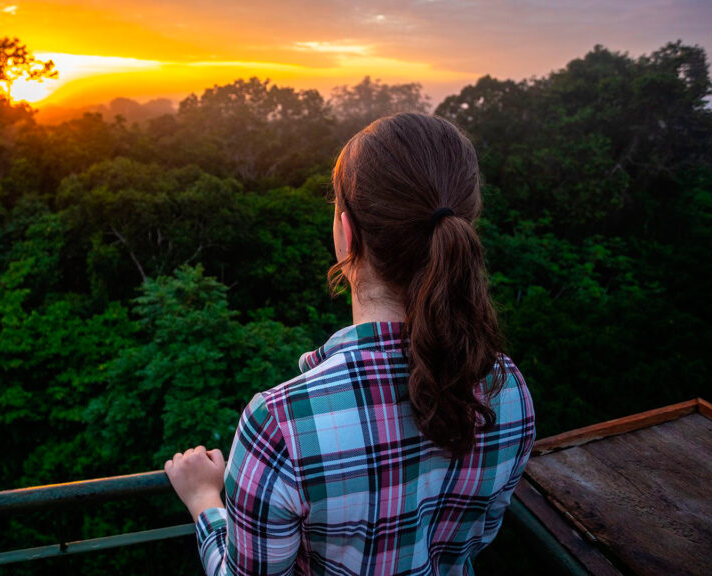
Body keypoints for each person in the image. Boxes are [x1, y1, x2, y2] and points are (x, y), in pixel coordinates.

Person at [164, 113, 536, 576]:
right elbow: (478, 536)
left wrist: (203, 500)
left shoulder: (281, 425)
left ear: (347, 234)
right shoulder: (508, 388)